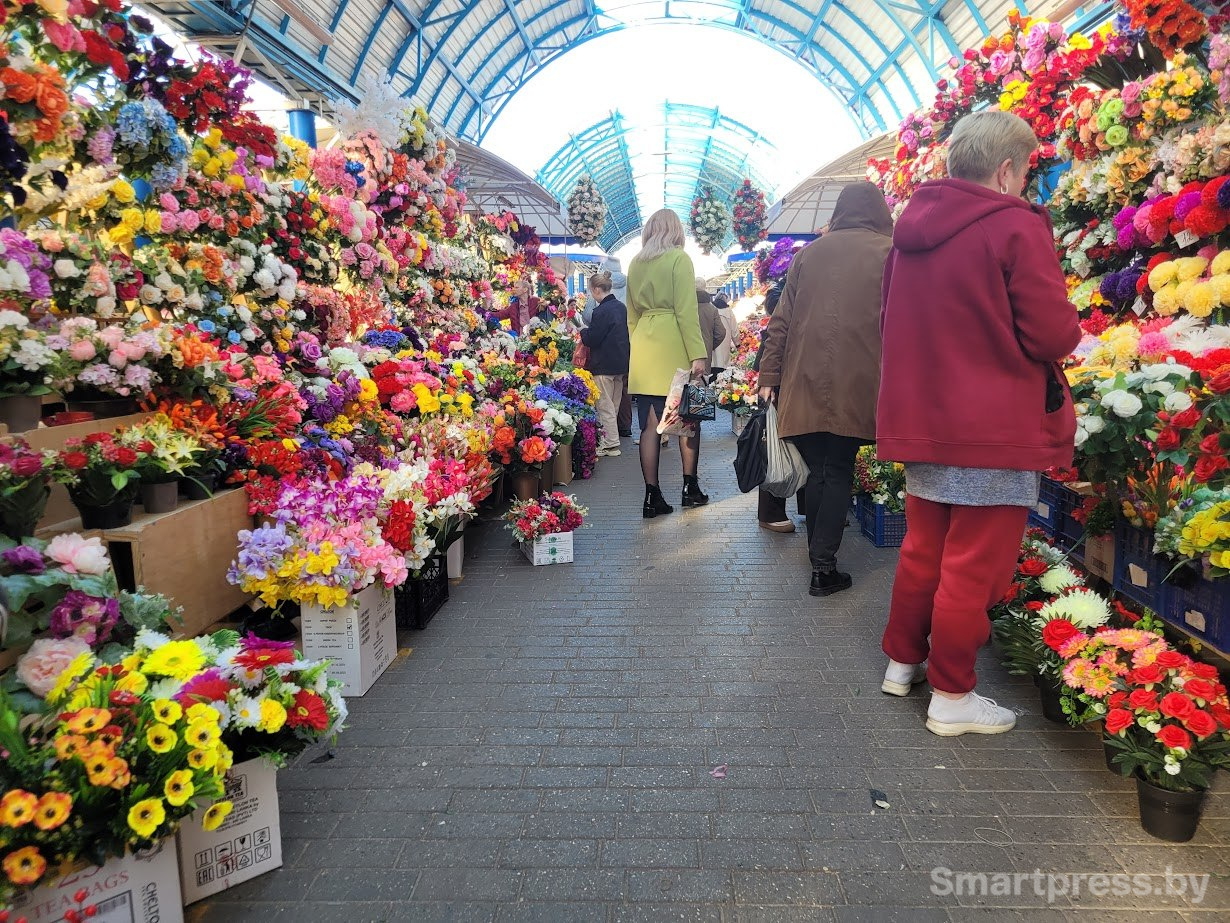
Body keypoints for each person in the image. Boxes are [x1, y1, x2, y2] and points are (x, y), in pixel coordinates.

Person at [877, 110, 1081, 737]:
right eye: (1026, 171)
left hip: (927, 420)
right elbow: (1051, 332)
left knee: (923, 553)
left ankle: (902, 662)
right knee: (970, 566)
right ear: (1005, 169)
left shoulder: (910, 232)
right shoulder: (1013, 227)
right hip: (994, 425)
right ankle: (953, 695)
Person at [758, 182, 892, 597]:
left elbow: (780, 322)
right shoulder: (890, 253)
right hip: (859, 379)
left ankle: (818, 555)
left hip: (804, 379)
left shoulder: (808, 255)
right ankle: (823, 565)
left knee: (818, 469)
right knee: (837, 468)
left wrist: (768, 376)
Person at [627, 208, 710, 517]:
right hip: (674, 342)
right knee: (687, 419)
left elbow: (631, 316)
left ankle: (652, 496)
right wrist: (697, 352)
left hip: (645, 345)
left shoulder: (636, 262)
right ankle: (690, 488)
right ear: (676, 231)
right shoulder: (679, 259)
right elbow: (686, 310)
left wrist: (638, 348)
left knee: (649, 427)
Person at [753, 280, 797, 534]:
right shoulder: (799, 268)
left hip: (807, 368)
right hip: (787, 371)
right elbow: (775, 309)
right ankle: (771, 511)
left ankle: (808, 507)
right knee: (775, 443)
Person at [580, 271, 630, 458]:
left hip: (604, 364)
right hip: (620, 363)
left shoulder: (600, 311)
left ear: (596, 289)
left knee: (605, 405)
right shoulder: (621, 308)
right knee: (613, 404)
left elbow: (593, 339)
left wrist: (583, 332)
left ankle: (610, 444)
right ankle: (610, 439)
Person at [695, 281, 726, 374]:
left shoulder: (684, 307)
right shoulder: (711, 309)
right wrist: (709, 345)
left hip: (684, 353)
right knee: (701, 383)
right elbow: (721, 333)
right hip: (704, 354)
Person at [711, 292, 738, 376]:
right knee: (723, 363)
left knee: (713, 360)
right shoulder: (728, 311)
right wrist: (737, 343)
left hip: (713, 339)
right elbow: (734, 329)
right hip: (725, 340)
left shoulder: (711, 308)